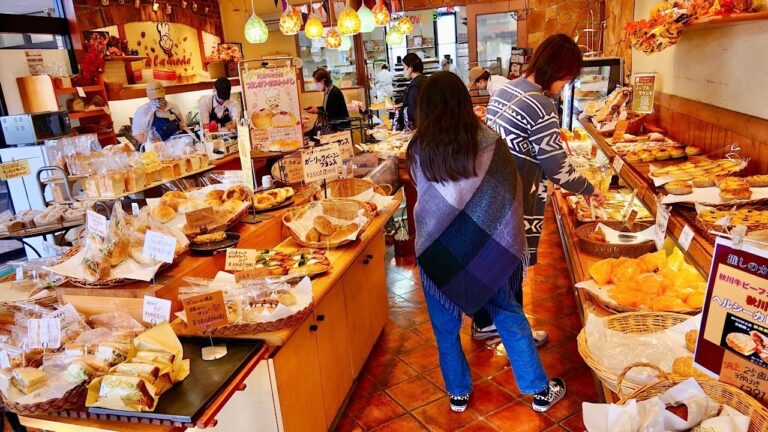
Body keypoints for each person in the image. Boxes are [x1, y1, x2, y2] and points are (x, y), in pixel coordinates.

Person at [407, 71, 566, 414]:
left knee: (445, 328)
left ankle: (458, 393)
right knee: (509, 315)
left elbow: (427, 199)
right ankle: (539, 390)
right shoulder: (492, 142)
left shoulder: (418, 149)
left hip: (439, 253)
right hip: (487, 251)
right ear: (464, 101)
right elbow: (510, 195)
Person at [474, 34, 603, 342]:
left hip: (489, 190)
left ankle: (482, 323)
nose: (565, 86)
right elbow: (557, 168)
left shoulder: (505, 90)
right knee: (511, 264)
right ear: (560, 72)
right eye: (568, 79)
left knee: (492, 261)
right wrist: (589, 188)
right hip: (515, 196)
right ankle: (516, 336)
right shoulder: (541, 104)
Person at [305, 68, 349, 132]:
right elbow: (327, 108)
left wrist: (317, 111)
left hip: (339, 128)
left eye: (316, 83)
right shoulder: (327, 92)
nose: (316, 86)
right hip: (333, 126)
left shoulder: (334, 92)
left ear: (322, 82)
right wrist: (316, 108)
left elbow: (332, 114)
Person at [395, 53, 425, 131]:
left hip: (417, 129)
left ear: (411, 68)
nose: (403, 71)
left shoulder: (415, 85)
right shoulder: (424, 80)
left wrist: (399, 111)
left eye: (404, 68)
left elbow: (413, 111)